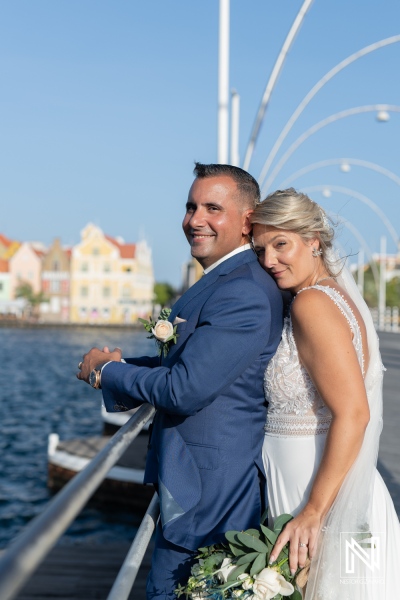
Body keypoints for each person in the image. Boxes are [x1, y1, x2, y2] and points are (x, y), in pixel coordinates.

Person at [77, 163, 283, 599]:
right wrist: (120, 364)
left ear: (248, 220)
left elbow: (185, 389)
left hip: (208, 497)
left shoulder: (242, 290)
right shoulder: (224, 281)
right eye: (191, 206)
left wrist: (107, 372)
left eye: (213, 208)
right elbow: (193, 365)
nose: (195, 219)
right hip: (195, 488)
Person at [251, 187, 400, 599]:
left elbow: (354, 413)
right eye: (260, 249)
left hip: (321, 500)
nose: (269, 261)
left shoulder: (311, 305)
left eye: (281, 244)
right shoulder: (337, 297)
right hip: (347, 497)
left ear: (314, 239)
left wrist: (313, 511)